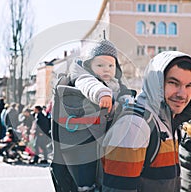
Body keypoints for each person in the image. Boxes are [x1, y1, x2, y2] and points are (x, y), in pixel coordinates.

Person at [102, 51, 191, 192]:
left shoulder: (170, 122)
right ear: (156, 82)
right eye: (173, 83)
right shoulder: (135, 126)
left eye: (189, 85)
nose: (182, 94)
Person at [52, 39, 136, 192]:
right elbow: (88, 84)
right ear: (89, 66)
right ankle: (85, 186)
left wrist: (127, 100)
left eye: (111, 65)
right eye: (100, 65)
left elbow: (123, 93)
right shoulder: (84, 77)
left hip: (107, 134)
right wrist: (101, 94)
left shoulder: (115, 83)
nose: (106, 70)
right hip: (87, 135)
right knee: (86, 164)